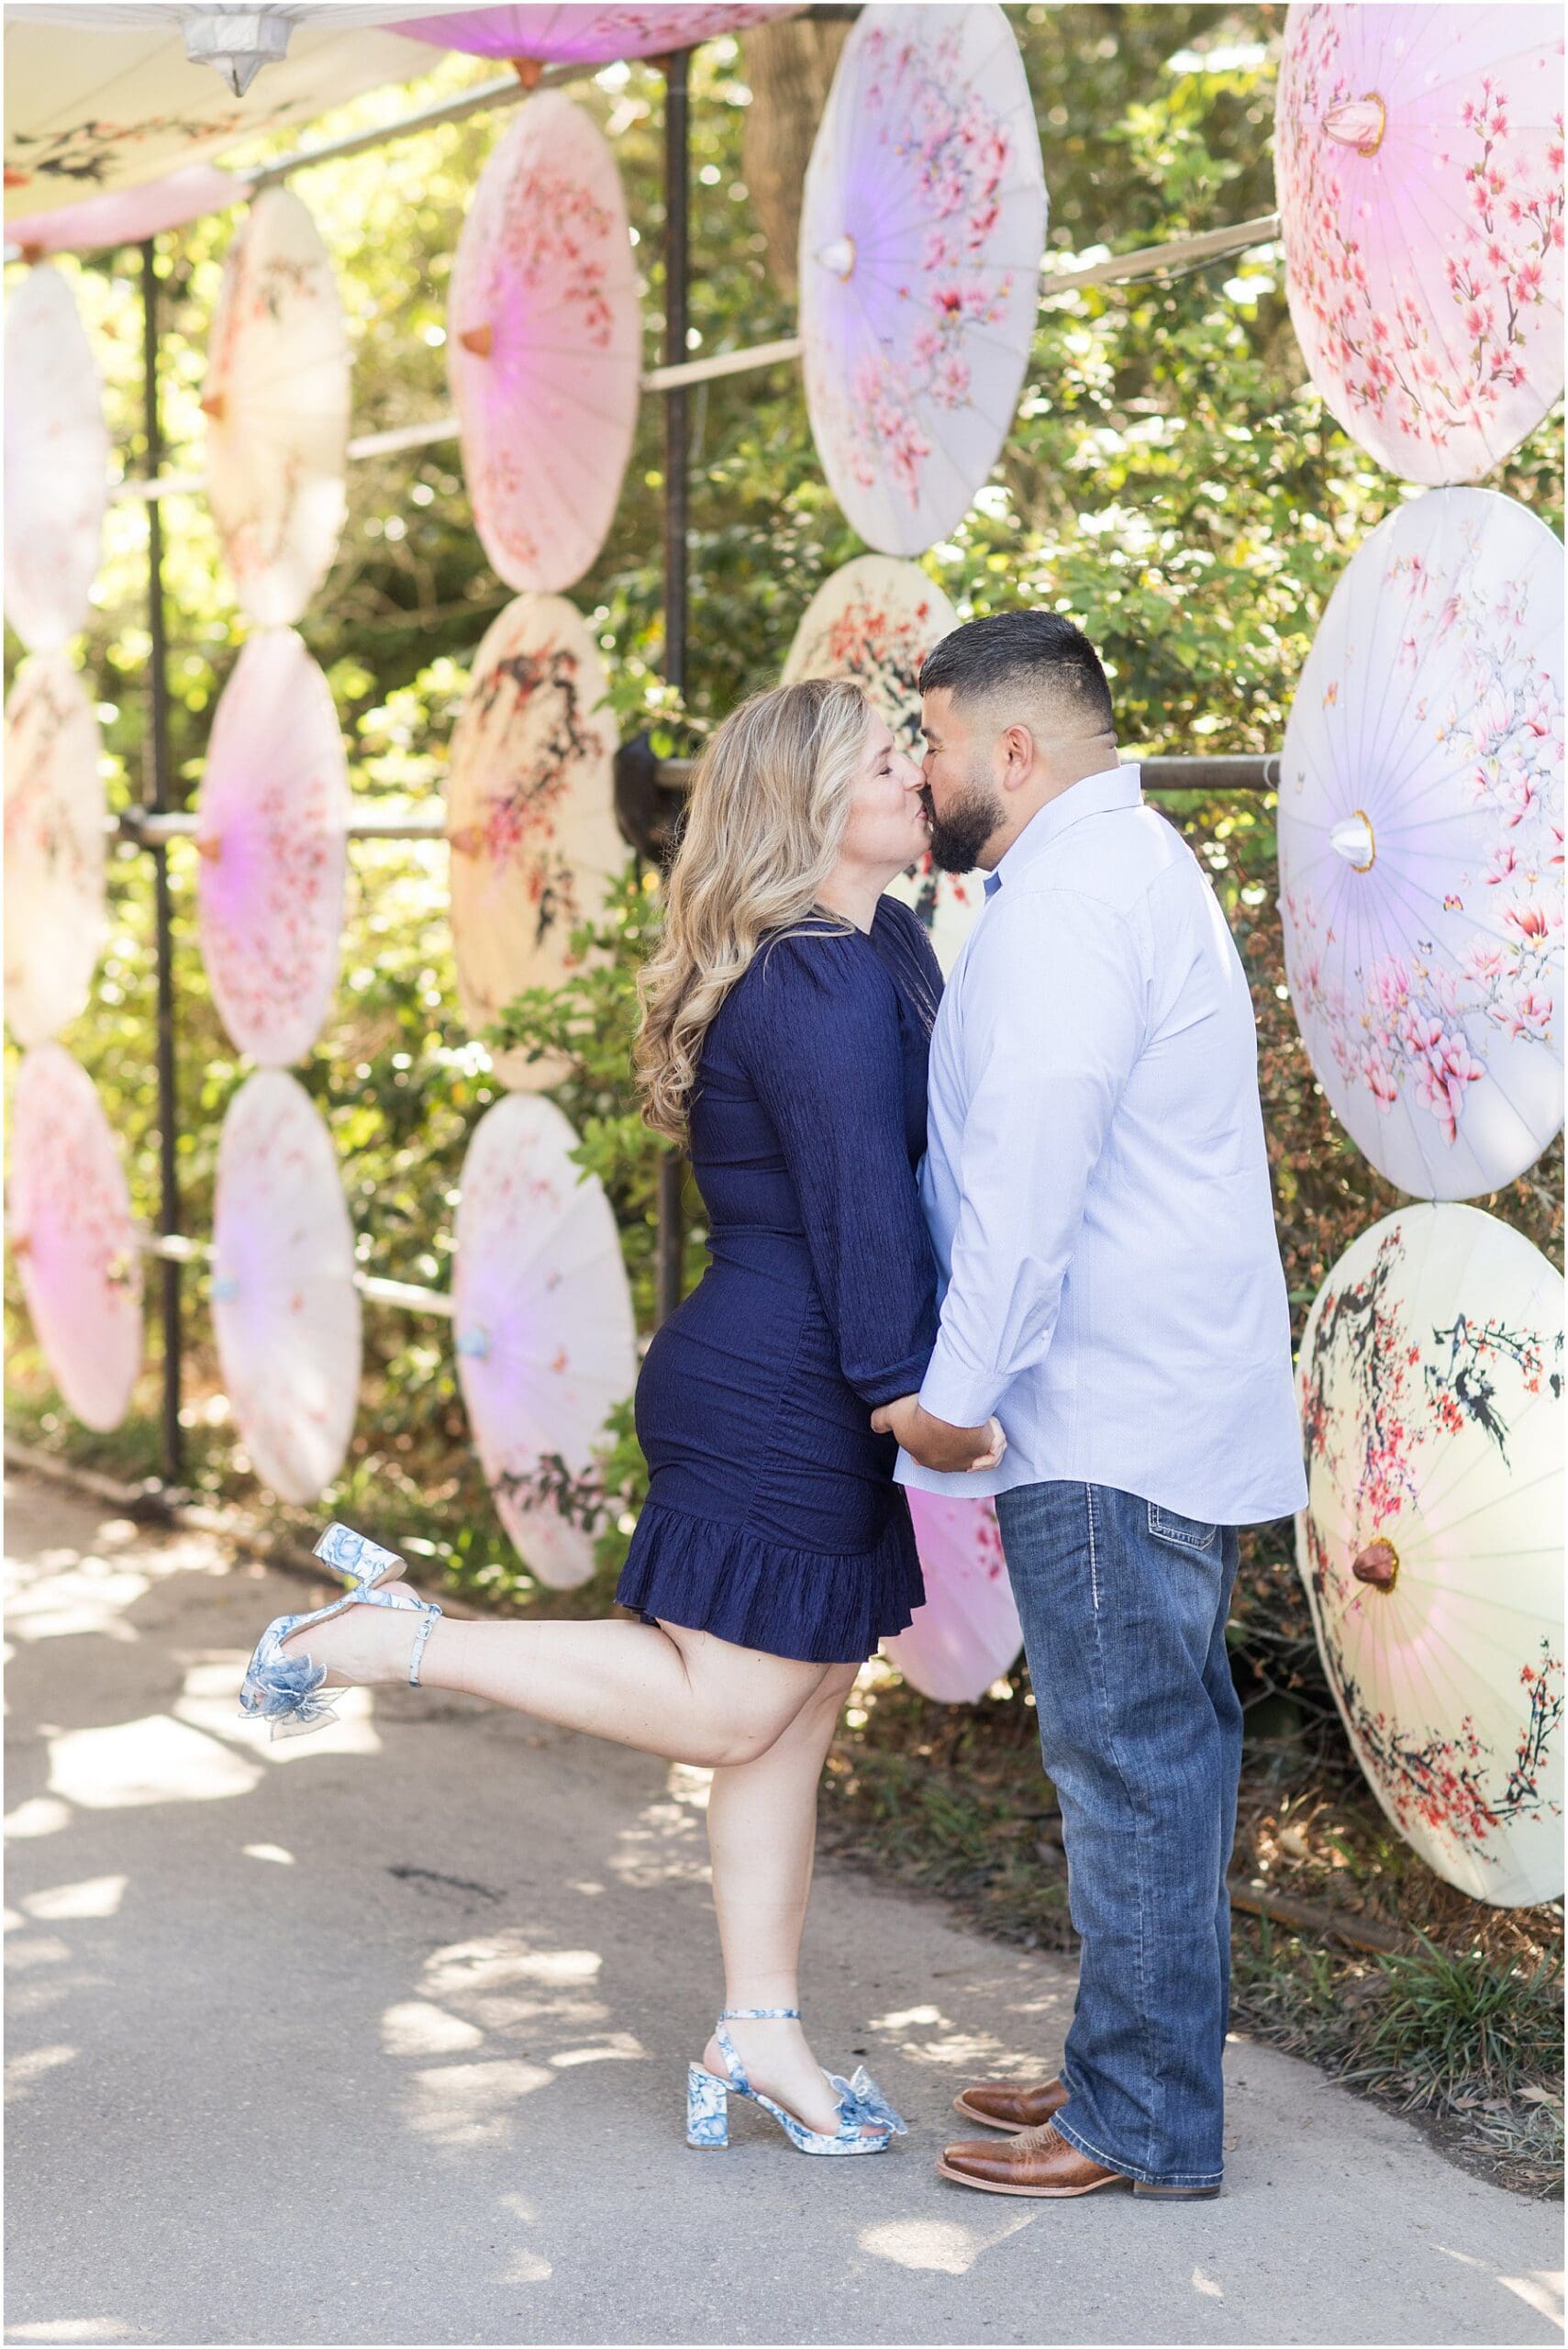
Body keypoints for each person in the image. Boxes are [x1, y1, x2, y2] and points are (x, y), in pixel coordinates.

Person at [239, 677, 1003, 2159]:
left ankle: (758, 2029)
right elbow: (859, 1210)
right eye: (882, 759)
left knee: (794, 1716)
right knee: (730, 1708)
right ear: (805, 801)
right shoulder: (815, 980)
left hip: (801, 1367)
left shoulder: (883, 947)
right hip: (790, 1381)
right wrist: (908, 1398)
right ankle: (393, 1638)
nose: (916, 775)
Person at [873, 609, 1306, 2202]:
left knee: (1127, 1761)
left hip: (1110, 1416)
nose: (920, 773)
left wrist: (953, 1397)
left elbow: (1028, 1173)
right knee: (1157, 1755)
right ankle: (1132, 2060)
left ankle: (1138, 2117)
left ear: (1012, 746)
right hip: (1153, 1401)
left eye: (930, 743)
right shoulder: (1121, 868)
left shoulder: (1068, 904)